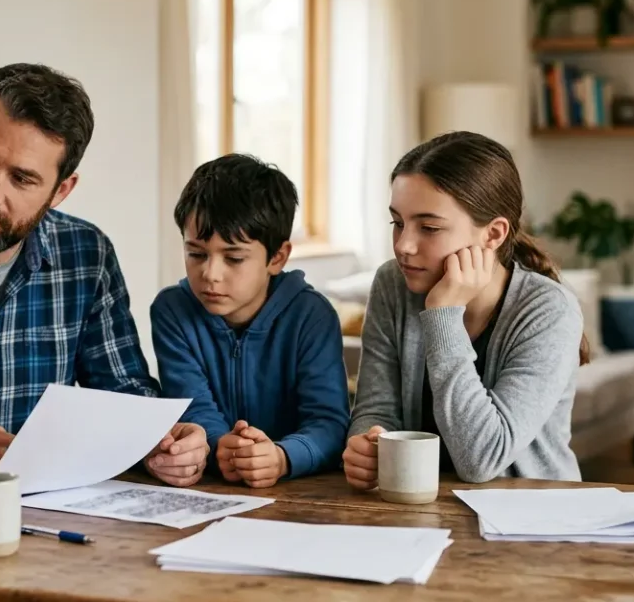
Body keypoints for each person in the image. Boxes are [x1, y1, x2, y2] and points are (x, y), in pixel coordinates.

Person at [0, 63, 209, 486]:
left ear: (61, 190)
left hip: (39, 518)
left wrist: (165, 444)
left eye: (22, 178)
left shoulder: (86, 256)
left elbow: (123, 393)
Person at [342, 131, 587, 487]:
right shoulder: (392, 285)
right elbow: (376, 408)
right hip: (418, 512)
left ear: (493, 234)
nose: (404, 245)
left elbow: (481, 460)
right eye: (398, 222)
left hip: (532, 520)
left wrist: (443, 315)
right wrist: (367, 443)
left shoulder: (549, 310)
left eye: (429, 227)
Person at [151, 154, 349, 488]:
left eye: (234, 258)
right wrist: (220, 448)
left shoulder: (312, 316)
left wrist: (283, 457)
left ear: (278, 257)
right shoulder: (172, 312)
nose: (210, 275)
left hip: (300, 494)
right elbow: (193, 409)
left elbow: (329, 424)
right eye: (196, 253)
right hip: (213, 491)